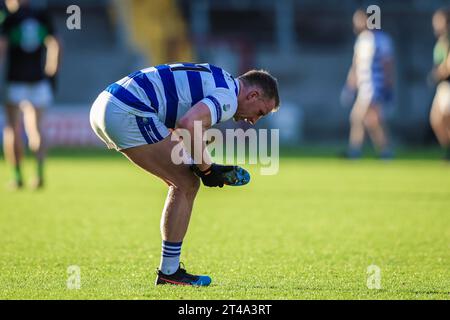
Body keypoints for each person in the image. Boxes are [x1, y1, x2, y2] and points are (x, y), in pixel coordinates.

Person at [90, 63, 280, 286]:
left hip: (106, 104)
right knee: (186, 182)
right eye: (260, 112)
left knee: (182, 179)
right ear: (253, 95)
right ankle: (169, 273)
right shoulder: (228, 98)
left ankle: (169, 271)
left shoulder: (221, 77)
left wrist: (203, 164)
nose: (254, 121)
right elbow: (188, 124)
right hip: (127, 108)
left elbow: (181, 124)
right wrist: (208, 170)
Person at [0, 0, 60, 189]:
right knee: (36, 128)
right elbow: (56, 44)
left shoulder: (9, 19)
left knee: (12, 128)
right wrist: (51, 71)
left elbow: (1, 49)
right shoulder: (41, 15)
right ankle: (39, 173)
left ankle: (17, 177)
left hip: (15, 80)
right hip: (38, 80)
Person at [342, 9, 395, 159]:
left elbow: (388, 65)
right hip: (364, 87)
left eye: (360, 19)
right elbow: (356, 66)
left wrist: (386, 88)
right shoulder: (362, 40)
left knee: (357, 117)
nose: (356, 22)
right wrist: (350, 86)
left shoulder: (381, 39)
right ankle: (386, 151)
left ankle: (354, 151)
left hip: (376, 87)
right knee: (373, 121)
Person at [429, 8, 450, 161]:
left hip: (448, 85)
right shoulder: (441, 40)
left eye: (439, 20)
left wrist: (439, 73)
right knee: (435, 120)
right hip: (442, 86)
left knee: (444, 118)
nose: (435, 24)